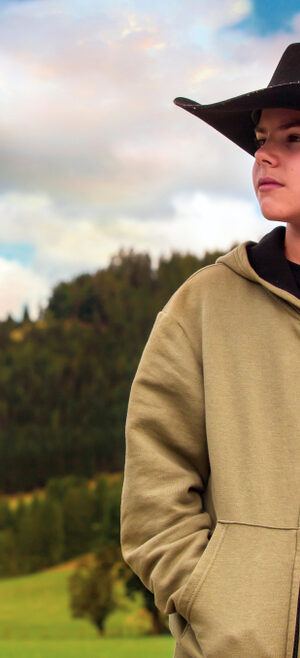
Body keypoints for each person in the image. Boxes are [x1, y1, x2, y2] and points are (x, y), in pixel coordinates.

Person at [121, 42, 300, 658]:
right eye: (260, 139)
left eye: (294, 138)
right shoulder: (203, 308)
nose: (263, 157)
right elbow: (155, 495)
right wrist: (214, 596)